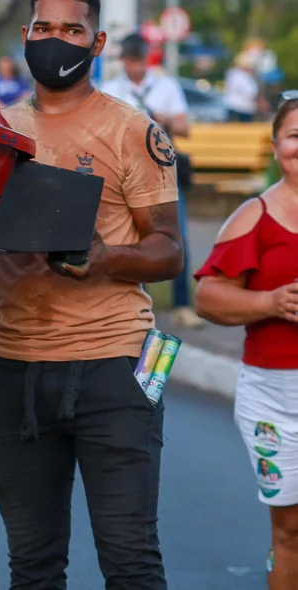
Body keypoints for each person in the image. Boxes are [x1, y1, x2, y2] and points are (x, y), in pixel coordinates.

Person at [0, 1, 185, 588]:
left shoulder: (131, 129)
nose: (55, 39)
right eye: (43, 28)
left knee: (130, 562)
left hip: (116, 367)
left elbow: (169, 249)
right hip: (13, 371)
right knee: (33, 569)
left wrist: (105, 258)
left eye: (71, 29)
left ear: (97, 41)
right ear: (25, 34)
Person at [192, 92, 298, 589]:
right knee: (291, 531)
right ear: (276, 146)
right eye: (296, 136)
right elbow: (208, 297)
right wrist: (270, 303)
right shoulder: (255, 215)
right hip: (275, 398)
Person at [101, 33, 201, 328]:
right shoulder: (111, 89)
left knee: (175, 235)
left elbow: (184, 128)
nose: (133, 67)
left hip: (162, 171)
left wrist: (159, 119)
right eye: (129, 61)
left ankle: (182, 304)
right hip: (125, 172)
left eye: (138, 61)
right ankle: (135, 305)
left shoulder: (165, 86)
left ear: (146, 59)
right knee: (130, 239)